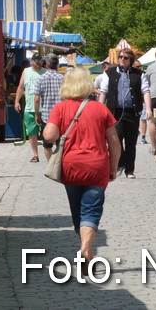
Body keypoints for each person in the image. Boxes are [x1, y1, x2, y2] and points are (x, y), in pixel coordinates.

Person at [41, 66, 122, 264]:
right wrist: (113, 168)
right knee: (91, 210)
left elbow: (49, 136)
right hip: (97, 167)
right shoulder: (100, 109)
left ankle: (86, 248)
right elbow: (114, 142)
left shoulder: (59, 108)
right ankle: (86, 249)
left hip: (71, 167)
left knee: (77, 210)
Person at [97, 48, 145, 178]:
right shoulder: (110, 73)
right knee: (115, 139)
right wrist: (100, 109)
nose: (122, 59)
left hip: (132, 112)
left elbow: (145, 91)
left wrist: (149, 109)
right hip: (115, 112)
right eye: (121, 57)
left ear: (131, 60)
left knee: (131, 142)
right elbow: (104, 92)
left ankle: (130, 170)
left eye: (125, 58)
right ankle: (121, 162)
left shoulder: (139, 74)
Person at [34, 58, 68, 158]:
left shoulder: (40, 79)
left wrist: (37, 114)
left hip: (47, 116)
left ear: (47, 65)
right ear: (57, 65)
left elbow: (36, 99)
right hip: (62, 116)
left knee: (47, 145)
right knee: (61, 143)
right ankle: (60, 165)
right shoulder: (63, 79)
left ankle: (51, 165)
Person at [16, 56, 46, 162]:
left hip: (44, 108)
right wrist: (17, 101)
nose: (39, 63)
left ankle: (49, 153)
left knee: (47, 133)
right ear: (31, 61)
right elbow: (20, 87)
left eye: (41, 61)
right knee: (31, 132)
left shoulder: (46, 72)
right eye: (36, 61)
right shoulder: (26, 71)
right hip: (29, 107)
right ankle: (35, 154)